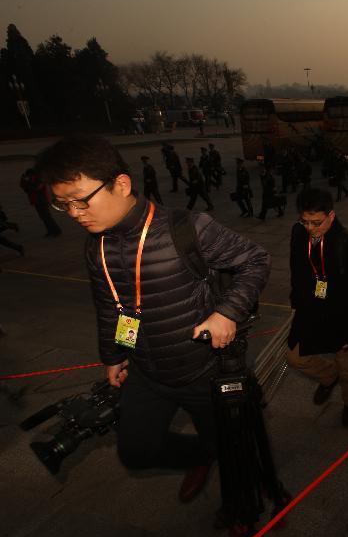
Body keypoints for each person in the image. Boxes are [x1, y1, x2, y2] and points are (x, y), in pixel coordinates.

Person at [36, 134, 270, 505]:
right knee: (136, 451)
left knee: (233, 447)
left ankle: (239, 496)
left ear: (122, 184)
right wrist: (114, 356)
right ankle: (199, 458)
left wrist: (227, 312)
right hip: (147, 372)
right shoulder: (95, 245)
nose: (76, 214)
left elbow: (255, 260)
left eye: (81, 201)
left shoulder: (187, 228)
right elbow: (110, 307)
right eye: (64, 205)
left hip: (203, 371)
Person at [287, 189, 348, 427]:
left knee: (346, 365)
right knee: (295, 357)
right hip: (311, 309)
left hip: (341, 314)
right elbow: (297, 271)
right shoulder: (298, 233)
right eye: (304, 221)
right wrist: (296, 302)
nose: (310, 228)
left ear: (331, 216)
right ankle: (328, 376)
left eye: (316, 223)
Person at [20, 167, 62, 237]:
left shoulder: (39, 180)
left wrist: (28, 183)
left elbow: (36, 188)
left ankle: (56, 231)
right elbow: (24, 187)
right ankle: (52, 231)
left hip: (42, 200)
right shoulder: (32, 180)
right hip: (37, 201)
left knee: (46, 217)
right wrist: (24, 181)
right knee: (44, 217)